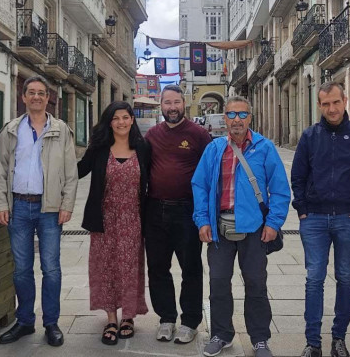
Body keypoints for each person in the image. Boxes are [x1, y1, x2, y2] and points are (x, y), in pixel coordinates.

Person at [192, 96, 291, 357]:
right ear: (224, 118)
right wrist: (202, 220)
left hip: (255, 231)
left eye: (242, 114)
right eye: (232, 115)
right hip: (219, 230)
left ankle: (259, 339)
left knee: (256, 283)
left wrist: (273, 223)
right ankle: (221, 334)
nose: (237, 120)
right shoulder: (213, 149)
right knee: (218, 282)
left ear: (250, 117)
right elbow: (199, 185)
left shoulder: (265, 148)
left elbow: (280, 190)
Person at [291, 81, 350, 357]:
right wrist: (302, 209)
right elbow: (298, 176)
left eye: (335, 102)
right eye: (325, 104)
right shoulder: (309, 136)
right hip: (313, 218)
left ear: (345, 100)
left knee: (346, 277)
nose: (331, 108)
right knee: (314, 278)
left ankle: (338, 339)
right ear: (319, 105)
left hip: (346, 217)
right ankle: (312, 342)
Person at [0, 75, 78, 347]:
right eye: (32, 92)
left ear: (48, 97)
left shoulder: (61, 130)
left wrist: (66, 205)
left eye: (42, 92)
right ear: (24, 97)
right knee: (21, 270)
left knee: (51, 268)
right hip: (18, 207)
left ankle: (51, 323)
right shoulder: (11, 130)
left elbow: (70, 173)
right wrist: (1, 204)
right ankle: (25, 321)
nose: (37, 97)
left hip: (49, 208)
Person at [77, 101, 150, 345]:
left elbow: (154, 178)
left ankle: (128, 316)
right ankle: (111, 318)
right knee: (106, 267)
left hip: (134, 219)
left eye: (125, 117)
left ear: (132, 120)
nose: (121, 122)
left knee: (130, 267)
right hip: (104, 219)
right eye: (116, 118)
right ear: (110, 122)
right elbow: (77, 171)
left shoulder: (142, 147)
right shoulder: (99, 148)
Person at [144, 84, 212, 343]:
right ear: (160, 105)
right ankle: (166, 318)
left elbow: (209, 174)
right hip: (155, 210)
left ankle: (191, 321)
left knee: (191, 268)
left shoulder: (198, 135)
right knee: (158, 268)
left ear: (184, 104)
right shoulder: (151, 135)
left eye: (176, 102)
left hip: (188, 211)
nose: (171, 107)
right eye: (167, 103)